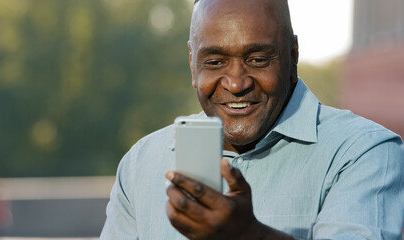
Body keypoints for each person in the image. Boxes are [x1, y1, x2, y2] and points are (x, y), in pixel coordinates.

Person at [101, 0, 404, 239]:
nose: (236, 83)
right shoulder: (140, 163)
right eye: (215, 62)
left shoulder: (364, 152)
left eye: (258, 59)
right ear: (193, 65)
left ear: (293, 56)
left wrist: (249, 236)